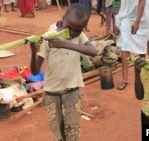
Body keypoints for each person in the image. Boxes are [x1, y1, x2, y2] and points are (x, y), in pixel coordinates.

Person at [29, 3, 97, 141]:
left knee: (73, 133)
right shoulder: (50, 36)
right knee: (57, 134)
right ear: (63, 18)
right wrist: (33, 52)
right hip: (51, 94)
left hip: (72, 92)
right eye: (69, 27)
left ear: (83, 27)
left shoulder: (79, 36)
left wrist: (64, 44)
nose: (72, 32)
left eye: (77, 30)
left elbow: (93, 51)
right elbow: (35, 71)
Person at [115, 0, 149, 90]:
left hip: (141, 17)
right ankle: (125, 79)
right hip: (126, 16)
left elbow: (142, 1)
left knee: (142, 46)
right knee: (125, 45)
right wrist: (118, 16)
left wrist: (137, 21)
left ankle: (141, 75)